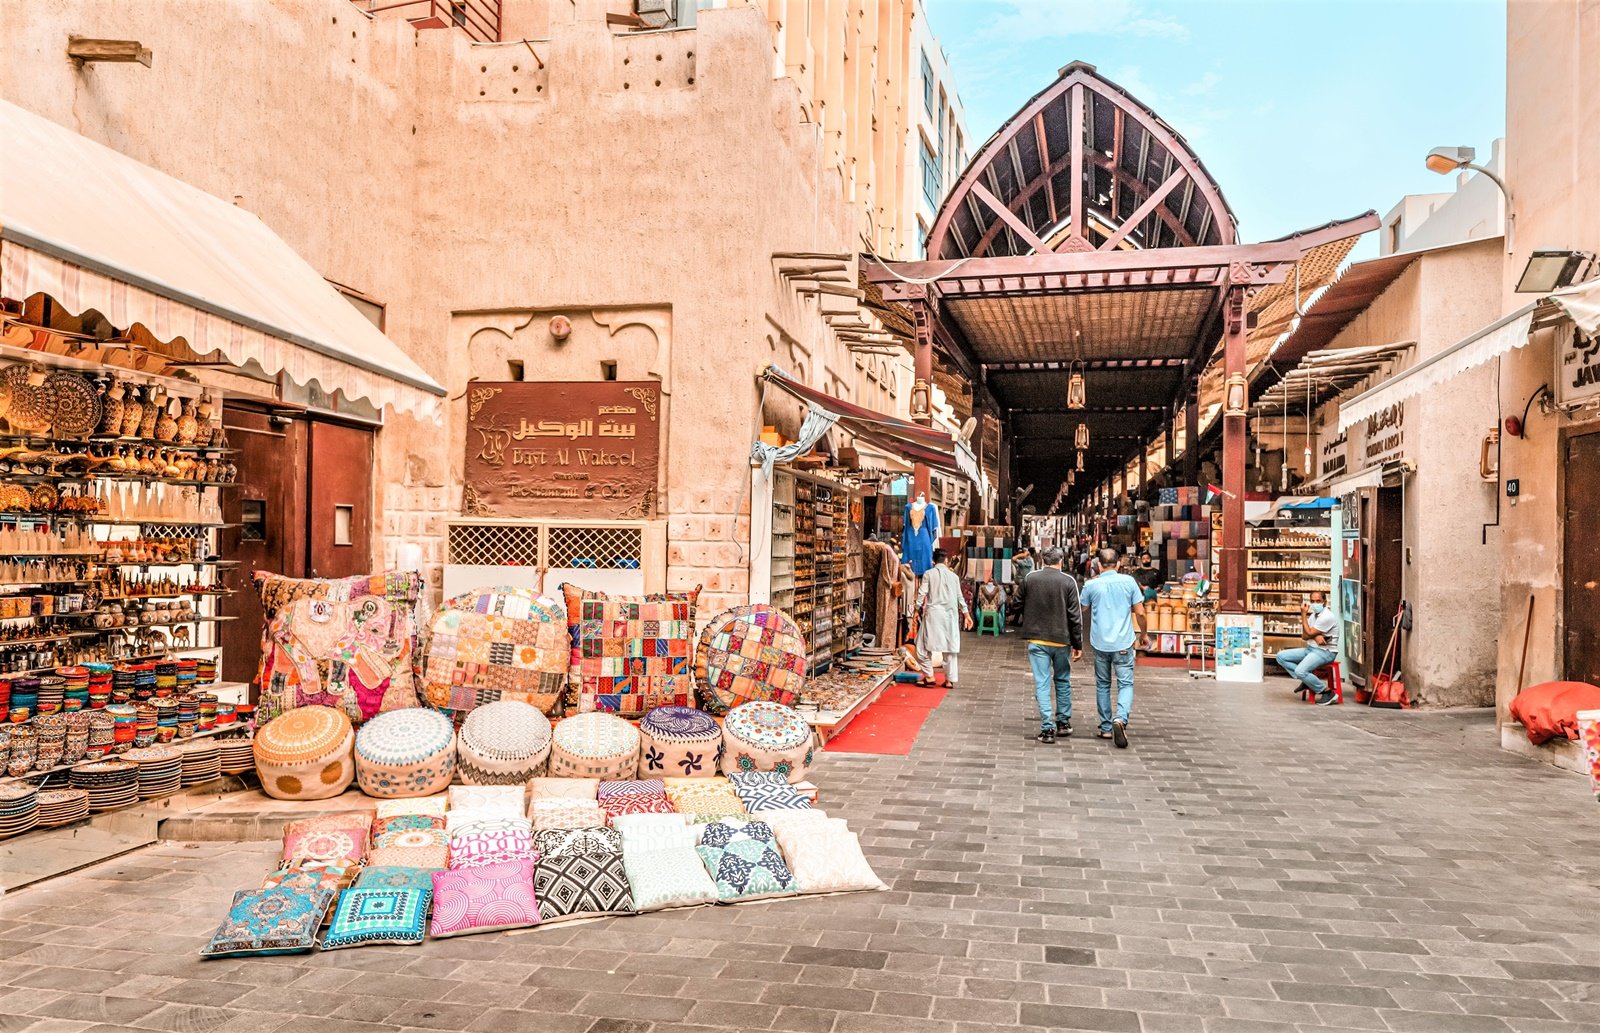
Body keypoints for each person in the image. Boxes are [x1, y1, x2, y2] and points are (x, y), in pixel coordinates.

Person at [1015, 546, 1083, 744]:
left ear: (1042, 560)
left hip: (1037, 640)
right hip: (1062, 640)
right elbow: (1075, 616)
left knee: (1042, 683)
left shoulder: (1030, 578)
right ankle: (1063, 722)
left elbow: (1016, 603)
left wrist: (1031, 610)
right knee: (1062, 680)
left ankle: (1047, 728)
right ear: (1060, 561)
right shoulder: (1068, 581)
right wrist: (1078, 643)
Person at [1079, 548, 1146, 748]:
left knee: (1103, 684)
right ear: (1118, 564)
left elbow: (1082, 608)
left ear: (1099, 565)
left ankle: (1106, 728)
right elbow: (1140, 612)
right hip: (1124, 642)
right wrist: (1143, 633)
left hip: (1100, 643)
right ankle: (1121, 719)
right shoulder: (1129, 582)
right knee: (1125, 684)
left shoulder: (1091, 585)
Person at [916, 548, 971, 687]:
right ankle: (949, 680)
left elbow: (922, 594)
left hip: (933, 615)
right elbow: (960, 597)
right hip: (950, 616)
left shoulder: (928, 574)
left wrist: (916, 609)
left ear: (933, 561)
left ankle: (929, 676)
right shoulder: (954, 577)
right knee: (950, 649)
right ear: (946, 561)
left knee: (921, 647)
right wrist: (966, 615)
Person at [1277, 590, 1340, 705]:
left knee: (1300, 671)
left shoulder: (1327, 616)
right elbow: (1305, 636)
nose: (1315, 604)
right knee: (1281, 656)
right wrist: (1315, 635)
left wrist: (1304, 616)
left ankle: (1327, 692)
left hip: (1325, 652)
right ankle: (1307, 680)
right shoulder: (1313, 616)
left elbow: (1309, 633)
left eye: (1318, 601)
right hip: (1311, 649)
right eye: (1312, 601)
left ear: (1324, 602)